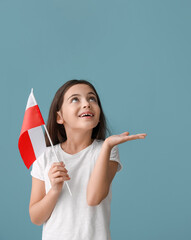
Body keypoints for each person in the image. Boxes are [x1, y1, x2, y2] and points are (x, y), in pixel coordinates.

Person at [29, 79, 147, 240]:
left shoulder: (106, 150)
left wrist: (107, 146)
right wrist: (54, 190)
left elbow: (93, 198)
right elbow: (36, 218)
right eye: (75, 99)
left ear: (98, 116)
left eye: (92, 98)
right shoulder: (45, 156)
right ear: (59, 117)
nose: (87, 104)